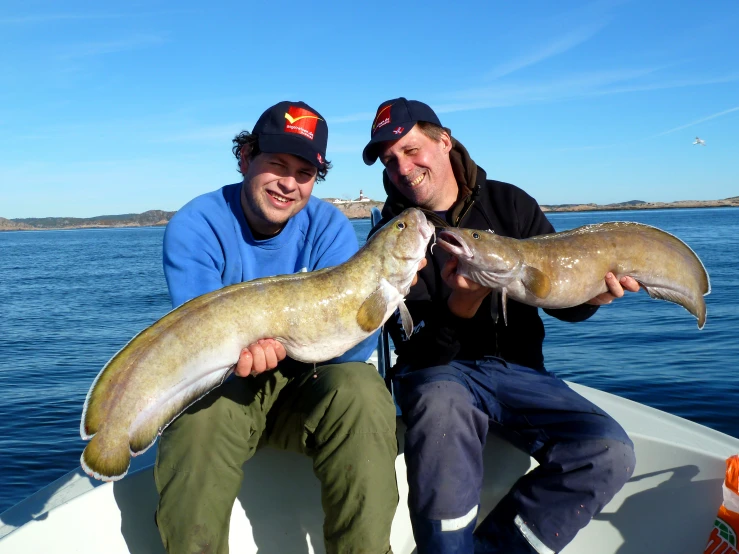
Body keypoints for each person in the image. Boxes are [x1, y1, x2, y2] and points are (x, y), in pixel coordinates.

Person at [363, 98, 640, 554]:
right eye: (391, 160)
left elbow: (560, 302)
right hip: (438, 373)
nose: (403, 167)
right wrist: (461, 305)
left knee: (608, 450)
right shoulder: (392, 238)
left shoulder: (511, 204)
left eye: (411, 150)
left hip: (520, 371)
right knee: (439, 404)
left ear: (444, 142)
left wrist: (592, 294)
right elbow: (416, 355)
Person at [155, 100, 399, 554]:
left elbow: (348, 351)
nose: (289, 183)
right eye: (277, 165)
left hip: (305, 383)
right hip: (226, 384)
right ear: (246, 158)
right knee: (197, 420)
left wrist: (382, 299)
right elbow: (197, 342)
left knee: (362, 391)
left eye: (304, 173)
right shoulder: (197, 225)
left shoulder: (329, 227)